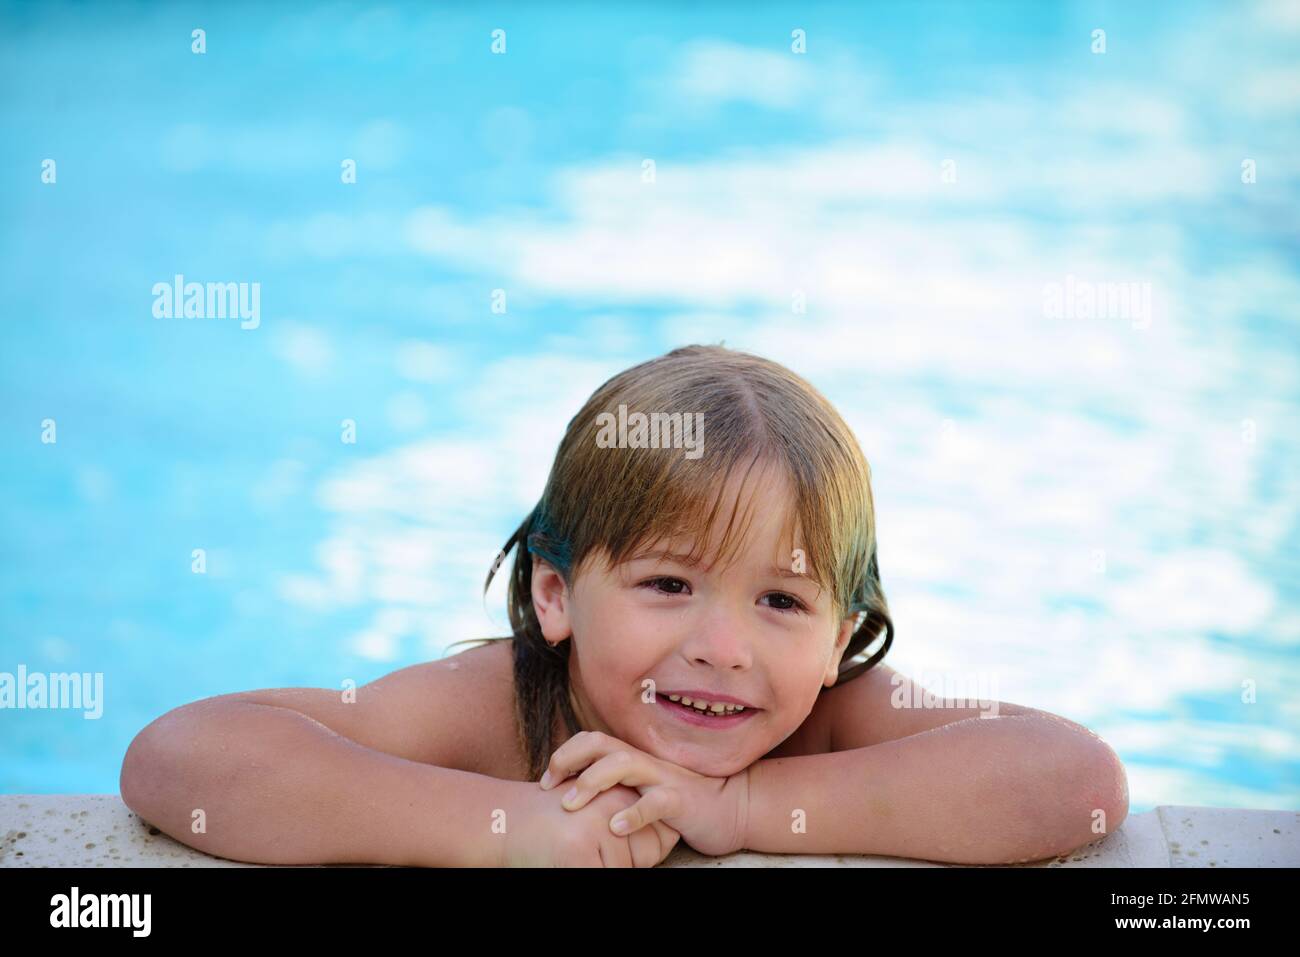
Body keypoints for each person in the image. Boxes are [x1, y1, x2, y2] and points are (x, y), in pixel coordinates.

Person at [120, 344, 1128, 867]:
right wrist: (517, 830)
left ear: (842, 639)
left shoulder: (833, 718)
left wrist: (737, 810)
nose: (722, 647)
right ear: (555, 595)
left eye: (781, 599)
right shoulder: (498, 707)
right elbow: (182, 758)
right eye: (667, 585)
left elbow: (1071, 783)